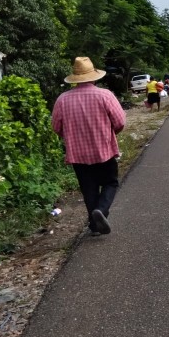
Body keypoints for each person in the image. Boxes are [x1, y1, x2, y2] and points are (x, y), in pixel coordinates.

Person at [51, 57, 125, 236]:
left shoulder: (62, 99)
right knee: (110, 182)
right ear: (93, 76)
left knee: (88, 188)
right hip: (104, 151)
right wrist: (108, 133)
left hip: (78, 155)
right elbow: (120, 122)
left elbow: (56, 127)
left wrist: (70, 136)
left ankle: (94, 226)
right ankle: (101, 210)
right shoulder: (105, 95)